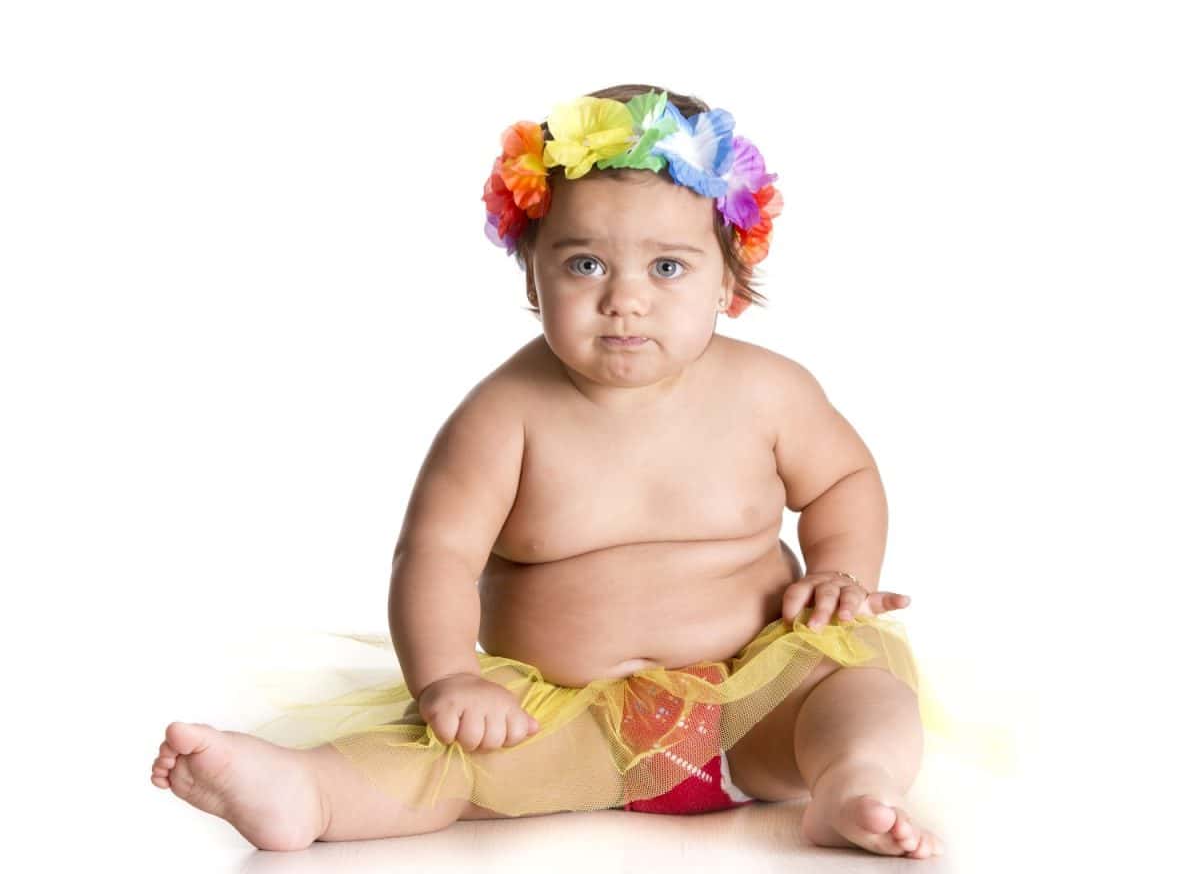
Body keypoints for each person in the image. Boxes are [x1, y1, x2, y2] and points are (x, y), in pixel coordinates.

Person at [150, 83, 944, 860]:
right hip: (562, 725)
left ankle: (854, 784)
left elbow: (844, 481)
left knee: (862, 684)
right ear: (532, 276)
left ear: (730, 282)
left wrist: (841, 567)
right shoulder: (503, 417)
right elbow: (434, 557)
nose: (625, 300)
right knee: (446, 765)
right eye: (587, 265)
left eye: (667, 268)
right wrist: (449, 682)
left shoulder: (771, 393)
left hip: (758, 710)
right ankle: (310, 793)